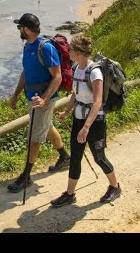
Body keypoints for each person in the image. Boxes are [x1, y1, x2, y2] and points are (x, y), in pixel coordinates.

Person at [50, 34, 121, 207]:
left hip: (94, 122)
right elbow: (76, 93)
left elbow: (97, 102)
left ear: (79, 52)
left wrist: (86, 127)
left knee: (99, 157)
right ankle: (69, 194)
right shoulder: (76, 68)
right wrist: (67, 111)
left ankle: (115, 187)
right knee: (75, 157)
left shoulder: (95, 72)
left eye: (71, 49)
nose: (68, 51)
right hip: (78, 118)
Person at [8, 13, 70, 193]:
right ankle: (64, 157)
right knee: (47, 127)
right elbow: (25, 72)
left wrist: (44, 99)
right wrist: (16, 93)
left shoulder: (46, 48)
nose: (19, 30)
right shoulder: (28, 46)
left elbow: (57, 77)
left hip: (42, 100)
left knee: (34, 138)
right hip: (32, 98)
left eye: (20, 27)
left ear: (26, 29)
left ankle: (26, 177)